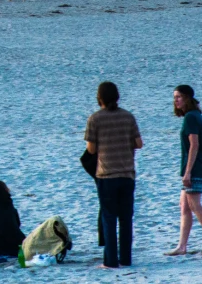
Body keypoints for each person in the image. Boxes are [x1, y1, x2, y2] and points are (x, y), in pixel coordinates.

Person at [84, 80, 142, 269]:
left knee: (108, 218)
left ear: (99, 98)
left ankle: (110, 261)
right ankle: (125, 259)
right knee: (126, 218)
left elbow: (91, 149)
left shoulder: (95, 119)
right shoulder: (128, 116)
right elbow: (139, 143)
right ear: (117, 97)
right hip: (127, 173)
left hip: (106, 174)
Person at [166, 84, 202, 257]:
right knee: (184, 205)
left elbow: (194, 145)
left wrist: (188, 171)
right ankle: (182, 246)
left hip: (195, 168)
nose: (176, 100)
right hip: (194, 167)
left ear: (187, 98)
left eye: (179, 97)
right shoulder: (194, 115)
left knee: (194, 205)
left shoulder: (191, 117)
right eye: (174, 97)